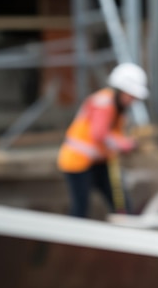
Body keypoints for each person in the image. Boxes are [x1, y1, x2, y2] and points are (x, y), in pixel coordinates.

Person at [57, 62, 148, 218]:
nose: (133, 100)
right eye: (131, 95)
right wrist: (125, 144)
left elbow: (112, 133)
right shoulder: (104, 103)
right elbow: (99, 134)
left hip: (99, 161)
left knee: (122, 205)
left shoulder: (117, 107)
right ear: (120, 90)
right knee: (80, 208)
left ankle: (127, 233)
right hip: (78, 162)